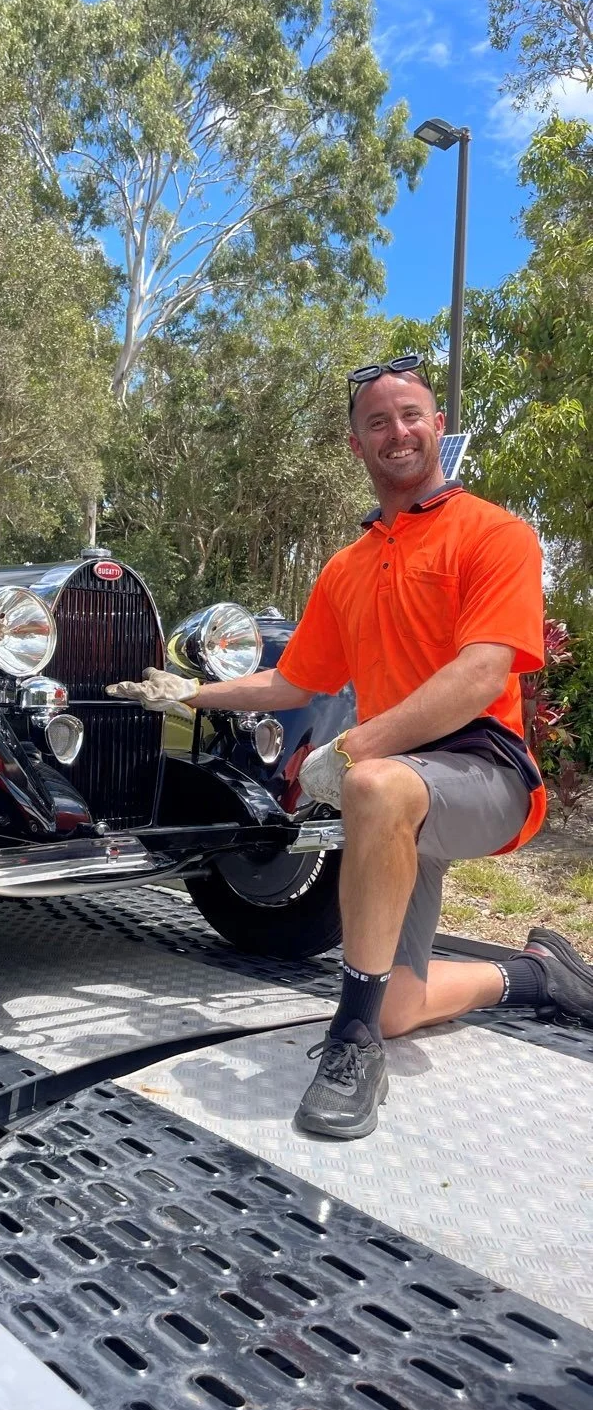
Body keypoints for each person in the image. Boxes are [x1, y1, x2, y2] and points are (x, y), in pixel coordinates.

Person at [108, 355, 593, 1140]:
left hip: (483, 771)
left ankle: (351, 1040)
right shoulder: (346, 567)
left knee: (372, 785)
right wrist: (188, 693)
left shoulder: (494, 534)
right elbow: (291, 682)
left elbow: (480, 674)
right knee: (402, 1003)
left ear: (437, 426)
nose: (396, 432)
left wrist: (356, 747)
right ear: (355, 444)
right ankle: (535, 974)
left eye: (410, 415)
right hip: (398, 789)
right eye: (377, 422)